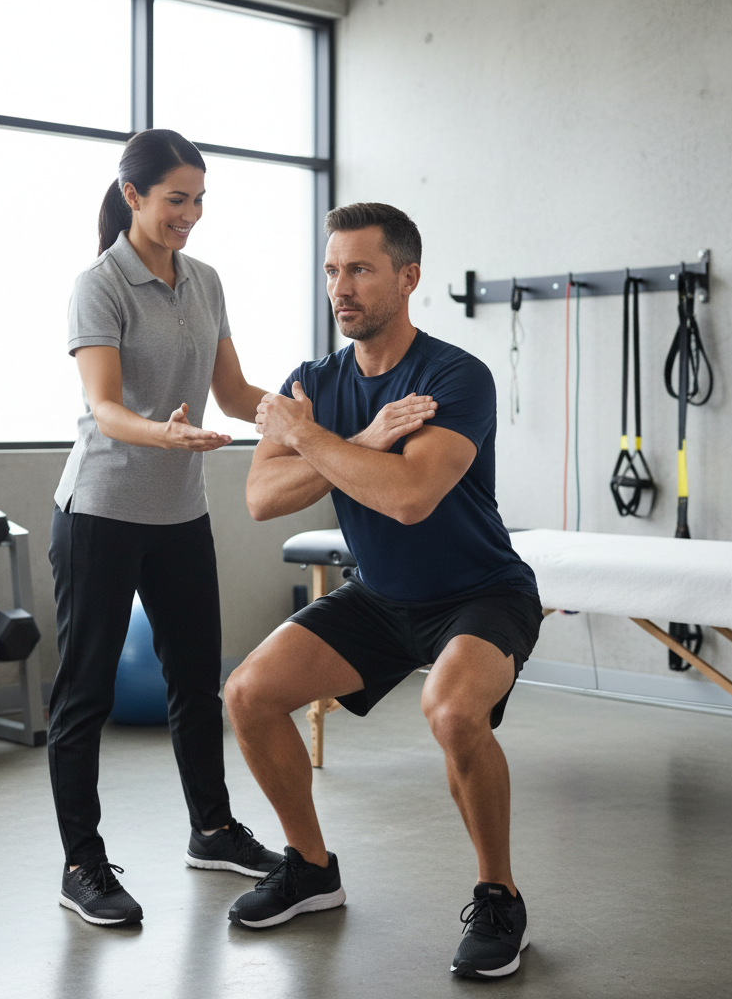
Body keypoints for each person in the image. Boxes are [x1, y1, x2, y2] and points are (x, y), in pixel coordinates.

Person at [223, 202, 543, 979]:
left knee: (454, 712)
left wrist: (306, 436)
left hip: (480, 592)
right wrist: (355, 440)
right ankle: (310, 868)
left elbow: (408, 496)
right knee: (248, 694)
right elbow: (262, 499)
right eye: (333, 270)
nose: (342, 287)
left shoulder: (454, 376)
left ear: (408, 277)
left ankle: (499, 895)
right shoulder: (315, 384)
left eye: (361, 269)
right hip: (381, 594)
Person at [48, 128, 283, 927]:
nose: (191, 215)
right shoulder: (99, 284)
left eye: (200, 200)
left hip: (180, 511)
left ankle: (211, 829)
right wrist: (167, 433)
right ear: (133, 195)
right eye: (177, 199)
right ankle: (83, 864)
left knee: (195, 681)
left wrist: (313, 413)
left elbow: (236, 391)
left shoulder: (205, 280)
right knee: (84, 693)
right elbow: (106, 407)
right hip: (103, 510)